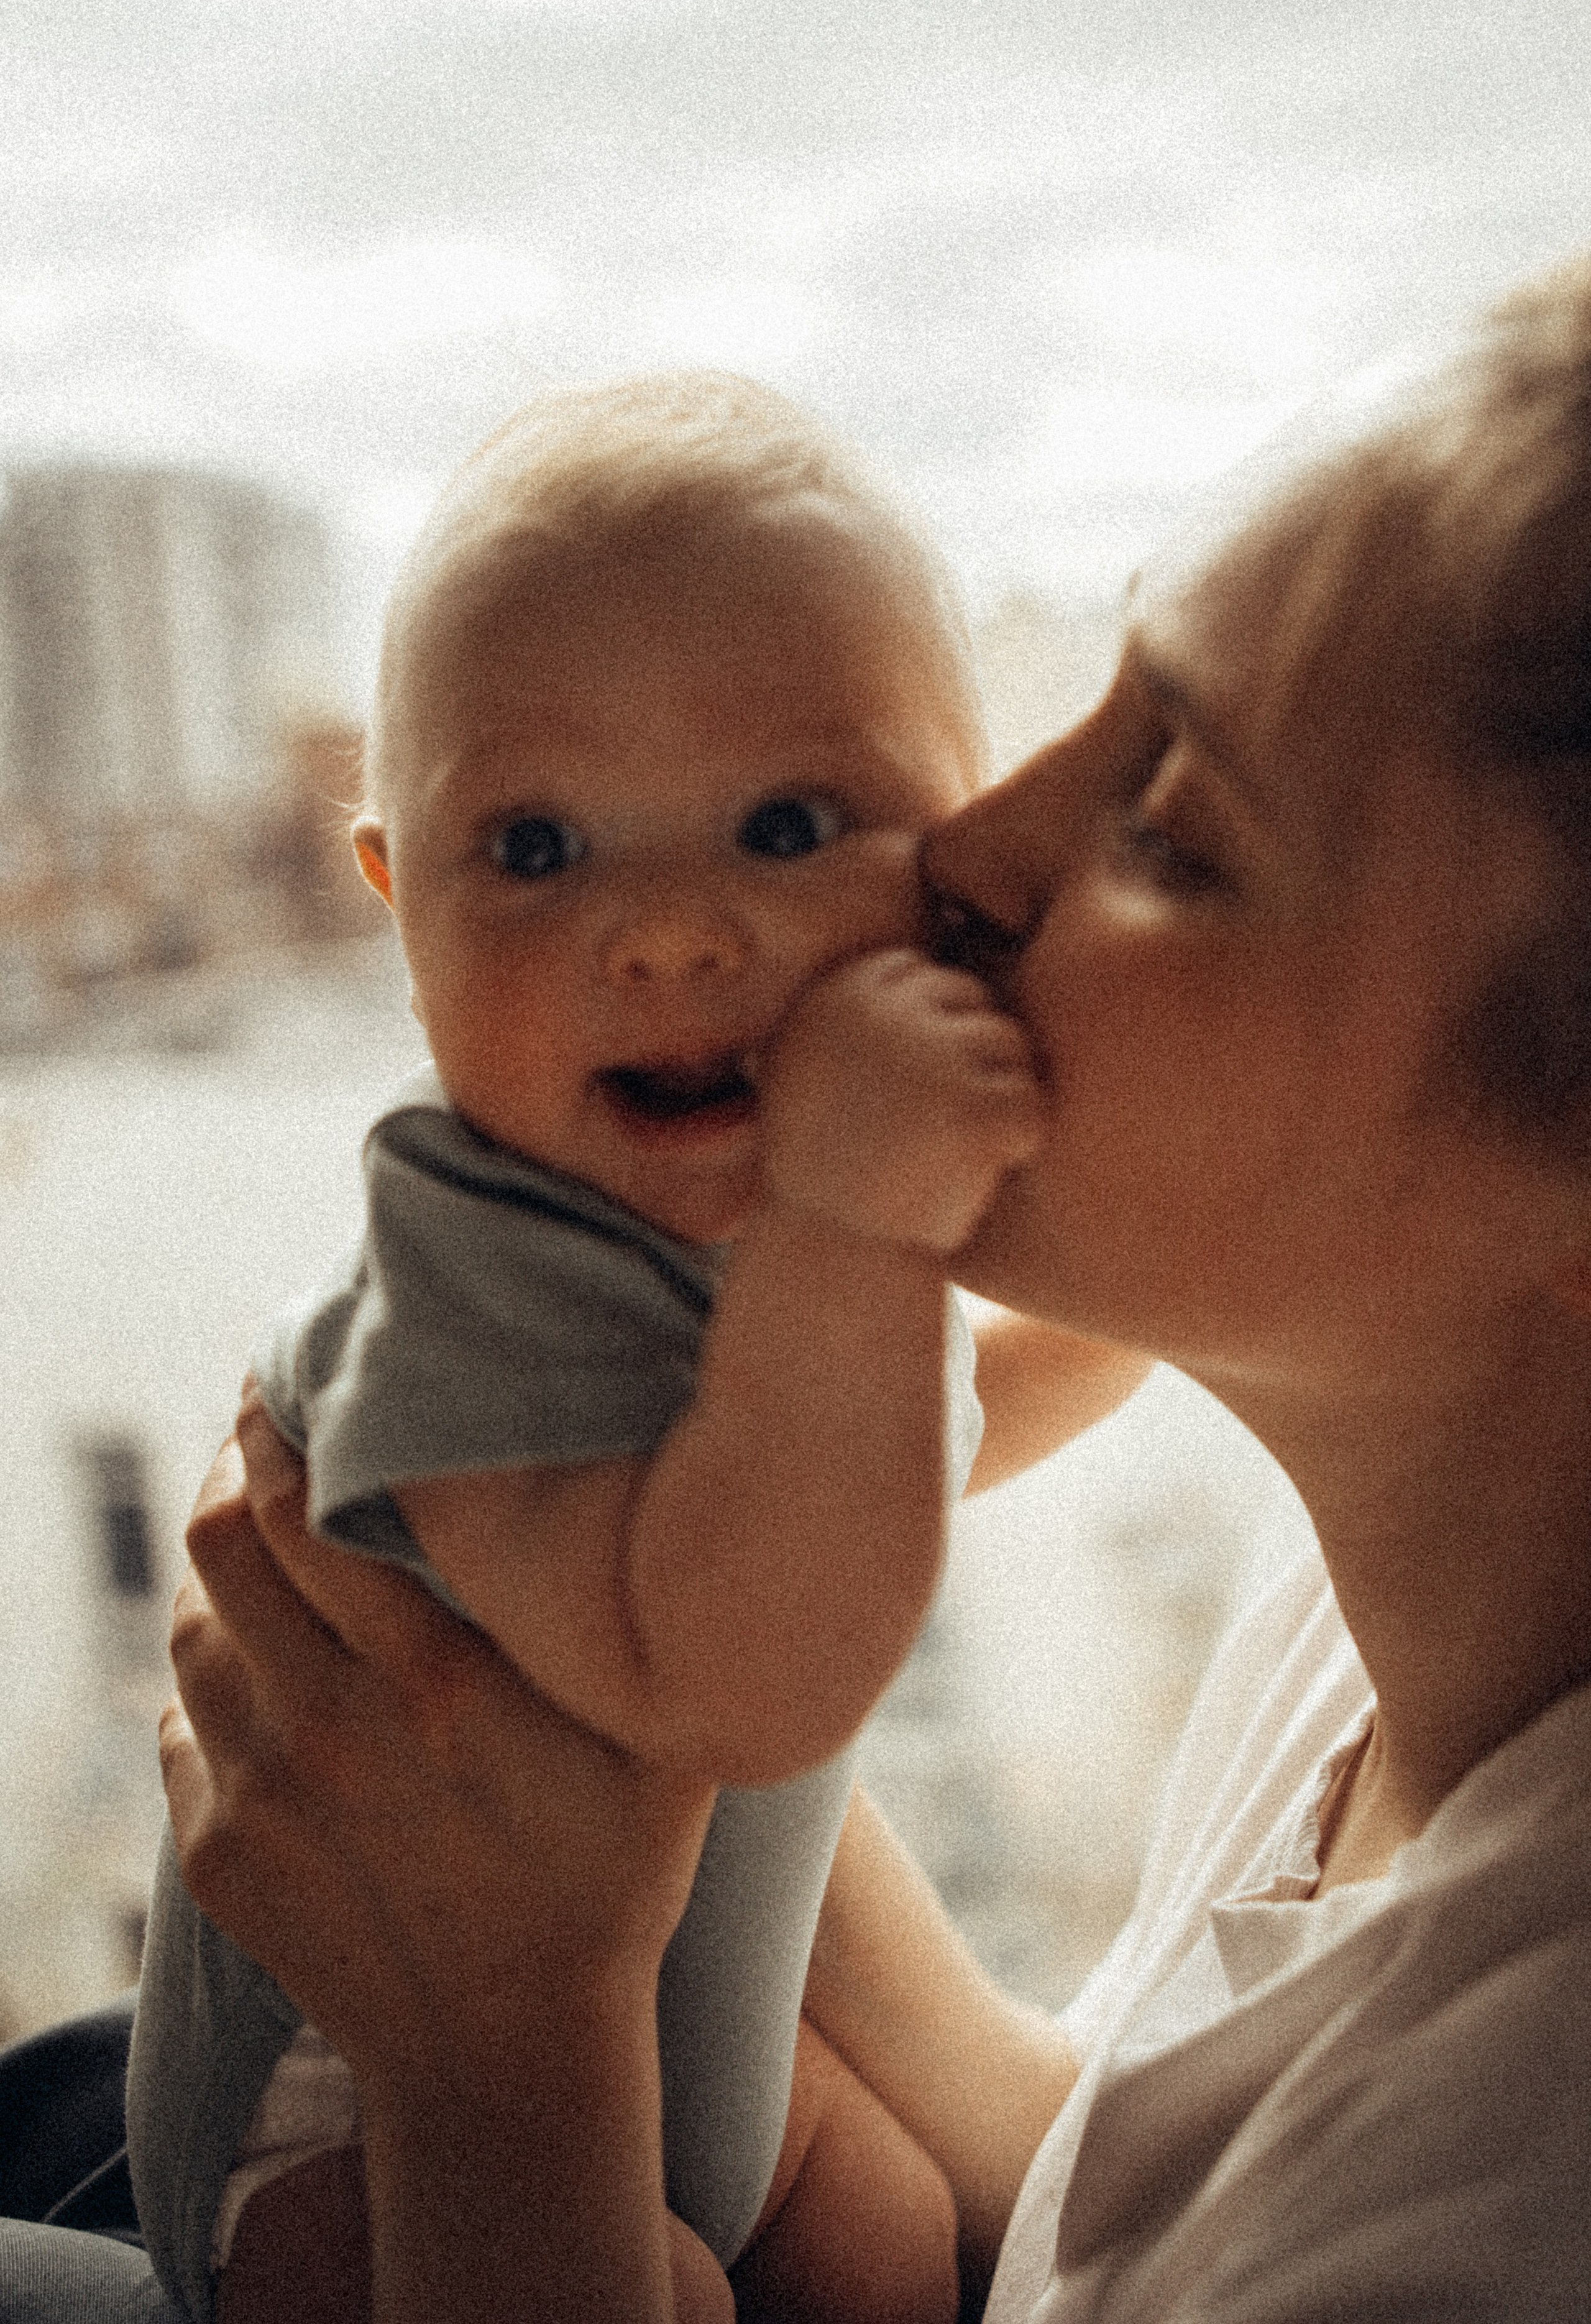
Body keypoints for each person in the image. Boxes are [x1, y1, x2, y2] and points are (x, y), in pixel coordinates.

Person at [149, 249, 1591, 2323]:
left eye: (1171, 823)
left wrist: (506, 2050)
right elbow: (1103, 2210)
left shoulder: (1494, 2210)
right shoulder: (1391, 1642)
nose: (964, 851)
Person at [124, 373, 1146, 2324]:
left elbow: (934, 1419)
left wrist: (1165, 1270)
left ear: (964, 851)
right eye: (531, 850)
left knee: (890, 2238)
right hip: (357, 2153)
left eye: (784, 823)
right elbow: (731, 1675)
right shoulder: (459, 1283)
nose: (670, 932)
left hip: (685, 2022)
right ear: (391, 902)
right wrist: (858, 1228)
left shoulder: (734, 1247)